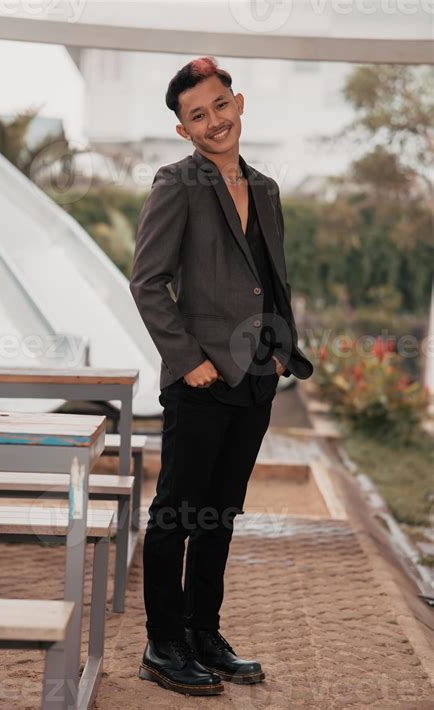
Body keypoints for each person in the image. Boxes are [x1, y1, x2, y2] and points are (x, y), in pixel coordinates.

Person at [129, 56, 313, 696]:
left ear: (238, 103)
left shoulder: (264, 187)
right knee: (178, 513)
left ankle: (205, 633)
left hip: (257, 376)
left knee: (221, 513)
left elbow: (272, 275)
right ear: (183, 129)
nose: (213, 122)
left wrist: (284, 348)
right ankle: (163, 642)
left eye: (219, 106)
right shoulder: (175, 184)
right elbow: (147, 284)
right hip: (200, 379)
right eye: (196, 115)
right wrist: (190, 361)